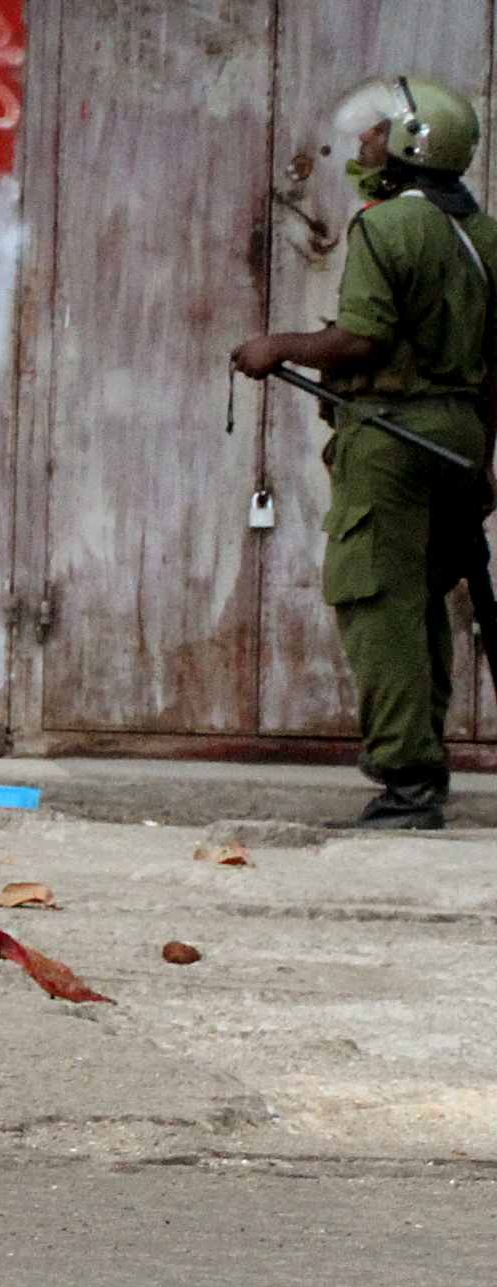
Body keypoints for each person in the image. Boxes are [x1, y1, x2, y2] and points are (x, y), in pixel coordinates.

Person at [232, 76, 495, 831]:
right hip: (455, 438)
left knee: (378, 602)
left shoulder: (387, 229)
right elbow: (492, 365)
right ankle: (424, 765)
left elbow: (363, 339)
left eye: (376, 133)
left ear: (414, 143)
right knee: (424, 606)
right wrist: (481, 462)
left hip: (391, 439)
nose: (362, 145)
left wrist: (274, 346)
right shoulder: (486, 235)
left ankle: (407, 783)